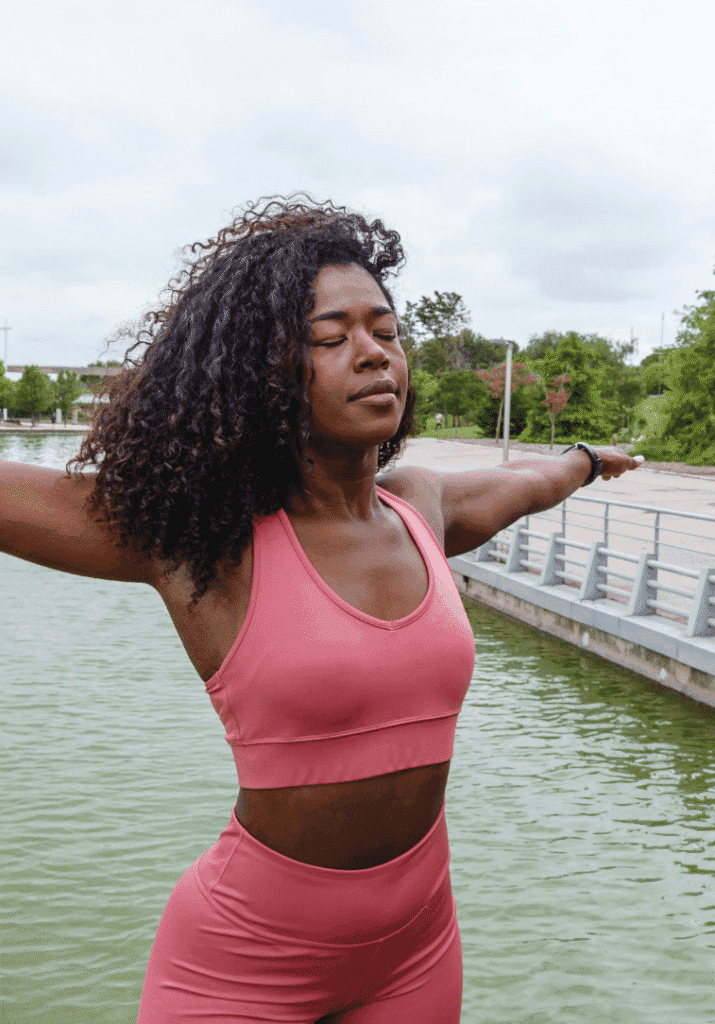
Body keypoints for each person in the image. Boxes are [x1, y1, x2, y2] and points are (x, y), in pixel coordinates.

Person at [0, 194, 641, 1023]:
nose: (373, 355)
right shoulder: (204, 538)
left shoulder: (418, 507)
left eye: (385, 331)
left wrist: (584, 460)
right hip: (243, 961)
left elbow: (525, 484)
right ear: (260, 372)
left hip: (416, 946)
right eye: (330, 340)